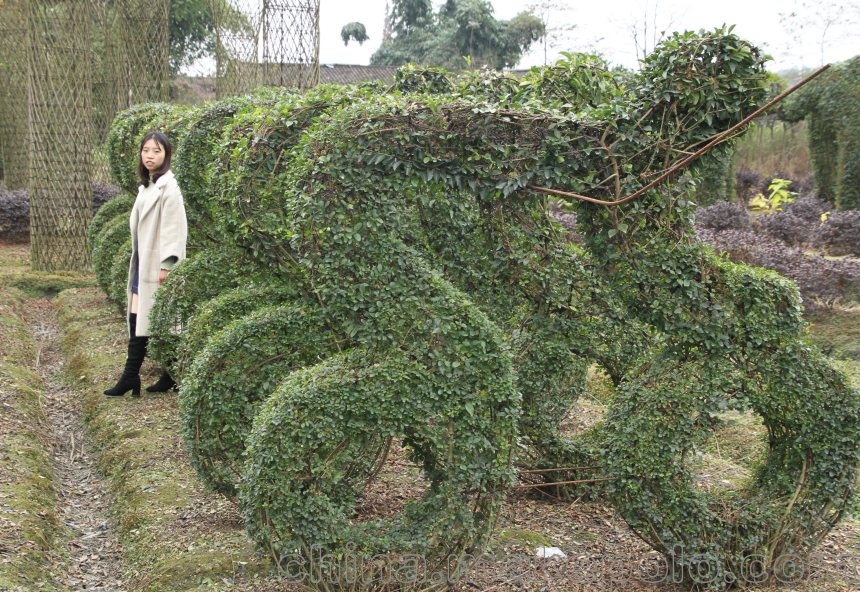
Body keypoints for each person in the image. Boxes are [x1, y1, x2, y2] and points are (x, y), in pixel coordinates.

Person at [104, 130, 187, 397]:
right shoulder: (148, 186)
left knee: (163, 321)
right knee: (140, 316)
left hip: (158, 266)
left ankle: (156, 375)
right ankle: (139, 376)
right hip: (144, 262)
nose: (150, 155)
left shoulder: (169, 187)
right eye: (146, 150)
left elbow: (175, 228)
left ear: (166, 155)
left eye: (157, 151)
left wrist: (168, 264)